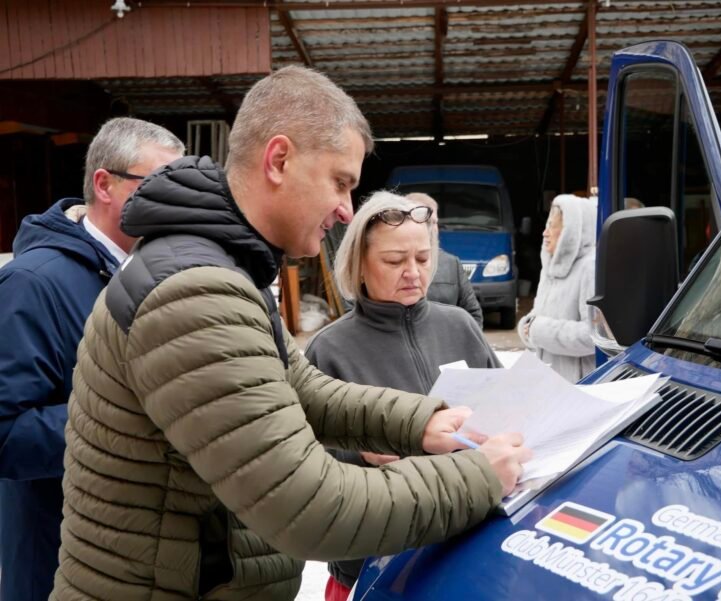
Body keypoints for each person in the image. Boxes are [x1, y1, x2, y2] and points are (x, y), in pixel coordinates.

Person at [50, 66, 531, 601]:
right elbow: (309, 507)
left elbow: (300, 390)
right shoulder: (195, 291)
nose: (347, 209)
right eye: (340, 182)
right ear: (279, 160)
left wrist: (423, 423)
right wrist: (477, 477)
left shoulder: (222, 265)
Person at [0, 117, 184, 601]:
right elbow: (7, 436)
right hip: (60, 565)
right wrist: (131, 418)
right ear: (105, 184)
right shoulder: (33, 283)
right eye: (161, 186)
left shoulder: (158, 277)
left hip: (141, 559)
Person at [305, 191, 502, 601]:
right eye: (395, 261)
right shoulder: (328, 349)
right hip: (375, 561)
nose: (413, 272)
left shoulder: (461, 325)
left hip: (466, 548)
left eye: (424, 258)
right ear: (358, 265)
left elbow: (504, 409)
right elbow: (306, 465)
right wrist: (360, 453)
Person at [517, 194, 597, 382]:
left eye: (553, 226)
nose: (545, 233)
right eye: (547, 225)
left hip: (577, 386)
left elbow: (593, 336)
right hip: (547, 381)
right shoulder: (550, 269)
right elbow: (536, 317)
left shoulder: (589, 268)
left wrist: (539, 330)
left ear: (572, 230)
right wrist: (527, 327)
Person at [407, 191, 484, 327]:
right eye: (425, 221)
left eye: (435, 222)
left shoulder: (451, 264)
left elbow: (473, 316)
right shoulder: (388, 265)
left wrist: (458, 346)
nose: (432, 228)